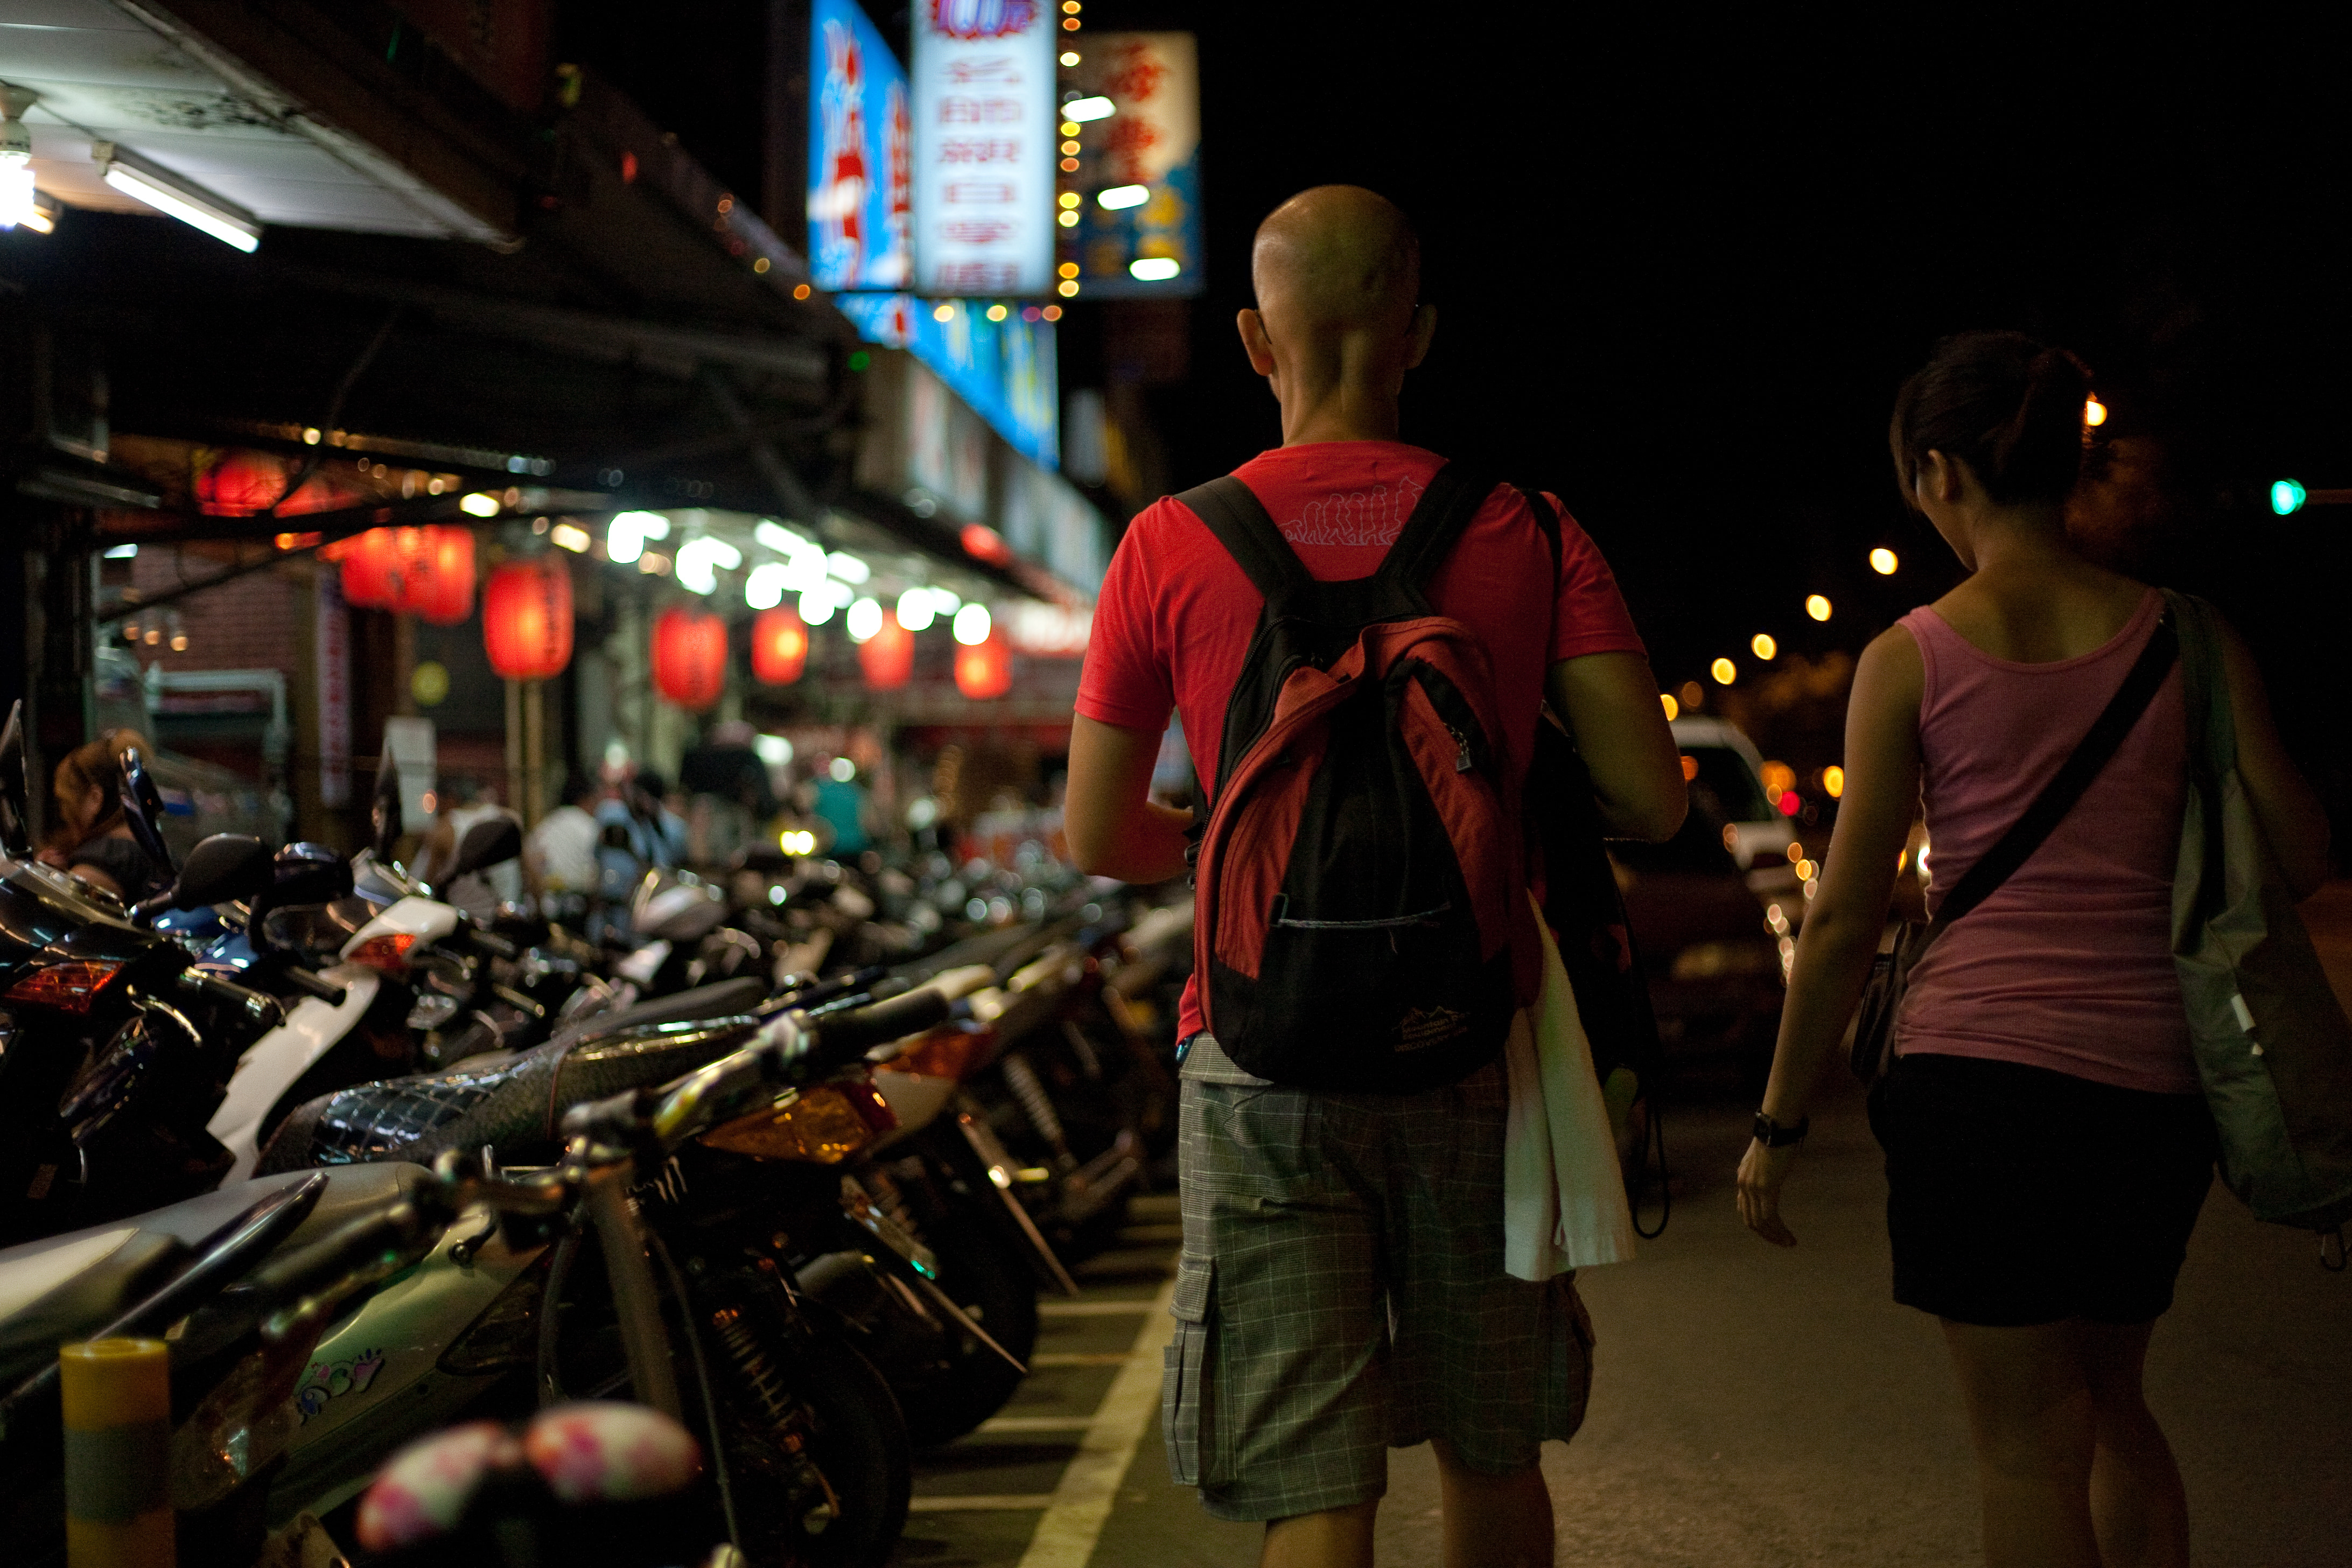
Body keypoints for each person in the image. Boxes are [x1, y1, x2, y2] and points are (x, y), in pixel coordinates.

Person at [1063, 185, 1685, 1568]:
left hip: (1256, 1051)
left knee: (1316, 1486)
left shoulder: (1170, 540)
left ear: (1251, 339)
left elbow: (1096, 836)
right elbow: (1651, 797)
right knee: (1489, 1452)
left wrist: (1234, 844)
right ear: (1421, 333)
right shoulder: (1529, 528)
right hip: (1476, 1039)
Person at [1737, 332, 2331, 1568]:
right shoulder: (2191, 637)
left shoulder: (1914, 656)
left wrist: (1781, 1121)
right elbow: (2304, 845)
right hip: (2155, 1086)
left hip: (1980, 1087)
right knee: (2118, 1408)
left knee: (2023, 1446)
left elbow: (1846, 916)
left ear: (1941, 474)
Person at [38, 727, 166, 901]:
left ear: (95, 798)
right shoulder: (155, 850)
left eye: (65, 802)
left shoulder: (102, 863)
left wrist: (44, 879)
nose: (63, 813)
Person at [528, 771, 603, 895]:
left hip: (547, 898)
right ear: (585, 799)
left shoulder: (549, 823)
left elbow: (530, 853)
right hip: (580, 899)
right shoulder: (589, 826)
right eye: (595, 800)